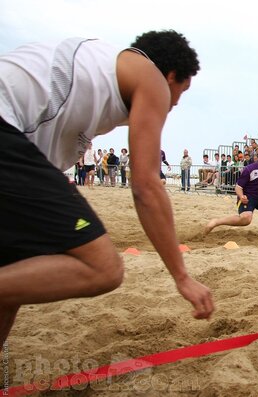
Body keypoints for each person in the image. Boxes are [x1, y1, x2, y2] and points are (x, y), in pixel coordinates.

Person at [0, 30, 214, 348]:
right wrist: (181, 276)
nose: (177, 103)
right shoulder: (151, 78)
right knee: (103, 268)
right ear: (170, 77)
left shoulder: (92, 72)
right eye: (181, 91)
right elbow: (145, 185)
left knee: (14, 271)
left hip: (12, 136)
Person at [204, 146, 258, 237]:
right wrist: (241, 196)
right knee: (246, 219)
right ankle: (217, 222)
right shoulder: (250, 169)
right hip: (247, 197)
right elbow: (238, 187)